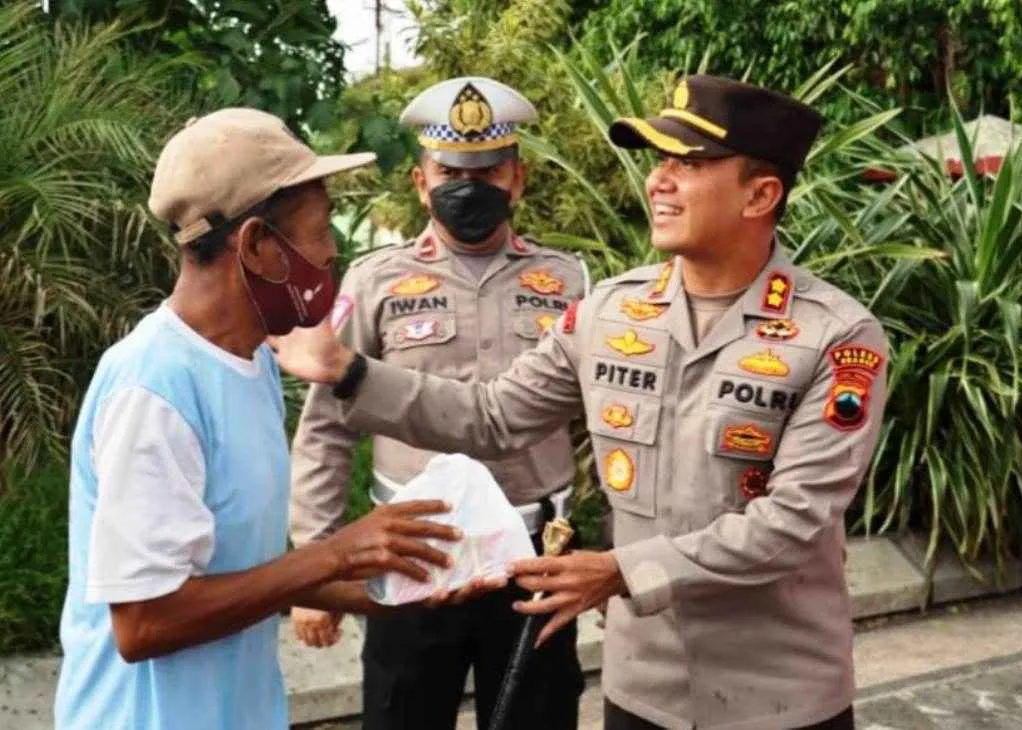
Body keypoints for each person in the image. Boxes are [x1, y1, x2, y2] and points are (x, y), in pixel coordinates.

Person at [273, 75, 889, 730]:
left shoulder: (836, 336)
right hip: (641, 688)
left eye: (689, 164)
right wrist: (350, 373)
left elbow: (793, 521)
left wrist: (619, 570)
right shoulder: (608, 313)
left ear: (761, 194)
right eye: (658, 162)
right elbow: (493, 415)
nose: (659, 181)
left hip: (777, 695)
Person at [53, 108, 481, 730]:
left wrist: (392, 590)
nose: (333, 250)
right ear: (255, 245)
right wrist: (335, 554)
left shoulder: (249, 361)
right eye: (319, 230)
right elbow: (144, 623)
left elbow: (240, 572)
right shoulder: (155, 388)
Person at [288, 76, 588, 730]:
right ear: (421, 184)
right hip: (414, 553)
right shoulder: (376, 281)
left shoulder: (572, 282)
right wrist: (315, 568)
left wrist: (617, 559)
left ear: (518, 179)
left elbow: (612, 427)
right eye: (451, 170)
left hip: (537, 555)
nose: (469, 185)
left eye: (488, 171)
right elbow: (326, 430)